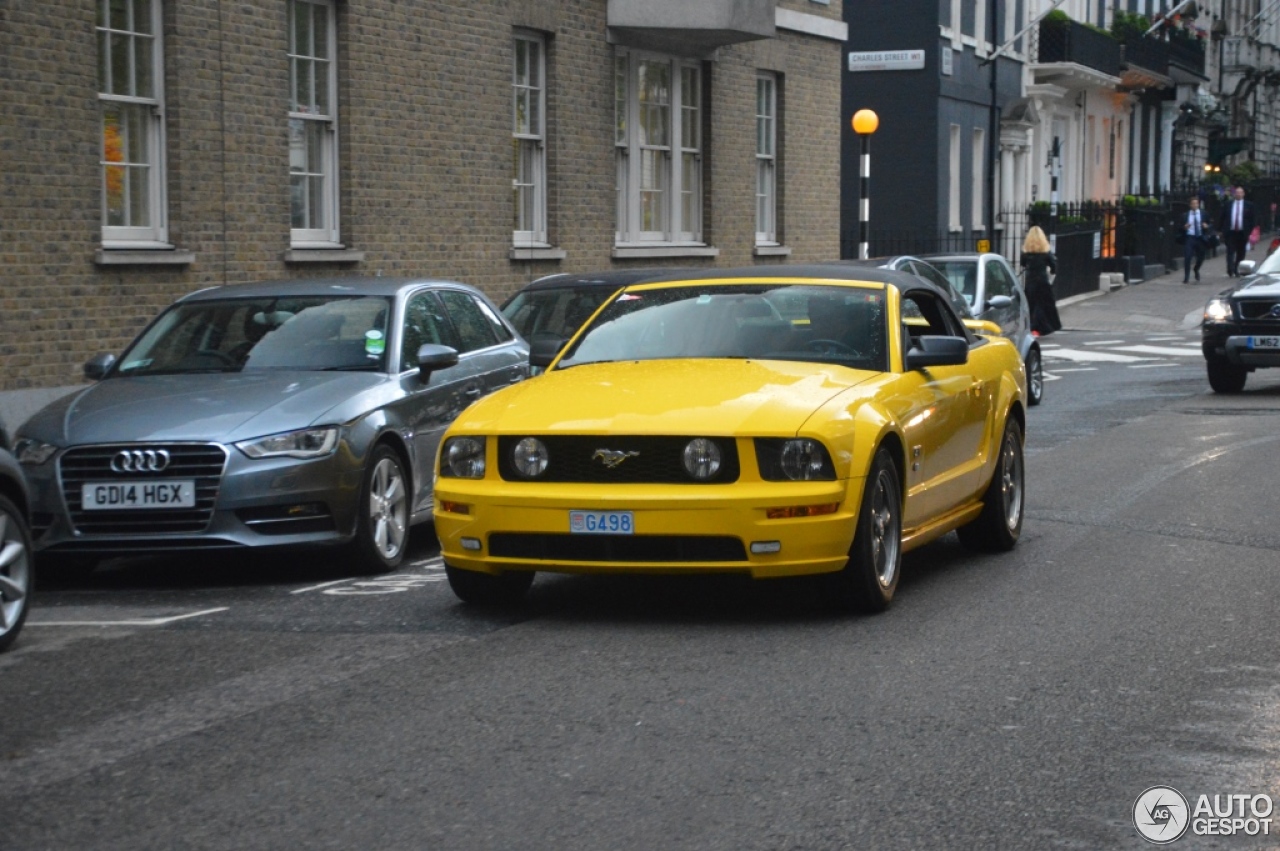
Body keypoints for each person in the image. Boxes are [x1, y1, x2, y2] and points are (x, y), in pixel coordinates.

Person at [1020, 226, 1061, 337]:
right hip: (1042, 281)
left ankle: (1032, 327)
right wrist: (1051, 271)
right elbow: (1053, 265)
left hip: (1030, 282)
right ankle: (1044, 327)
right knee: (1044, 305)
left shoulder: (1026, 254)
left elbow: (1022, 264)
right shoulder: (1045, 253)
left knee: (1031, 305)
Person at [1217, 185, 1256, 277]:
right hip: (1231, 232)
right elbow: (1222, 217)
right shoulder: (1228, 204)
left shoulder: (1249, 205)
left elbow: (1252, 219)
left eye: (1240, 193)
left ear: (1243, 194)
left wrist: (1249, 231)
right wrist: (1220, 229)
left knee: (1241, 252)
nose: (1238, 194)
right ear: (1234, 194)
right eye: (1237, 193)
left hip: (1243, 232)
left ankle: (1236, 268)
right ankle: (1230, 269)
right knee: (1230, 251)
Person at [1181, 197, 1207, 283]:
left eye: (1196, 203)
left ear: (1198, 204)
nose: (1194, 205)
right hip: (1190, 237)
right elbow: (1179, 227)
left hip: (1200, 237)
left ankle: (1196, 269)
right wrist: (1184, 227)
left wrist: (1206, 226)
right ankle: (1186, 277)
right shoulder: (1185, 215)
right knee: (1187, 256)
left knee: (1201, 257)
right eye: (1193, 204)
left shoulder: (1203, 213)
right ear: (1190, 205)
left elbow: (1210, 224)